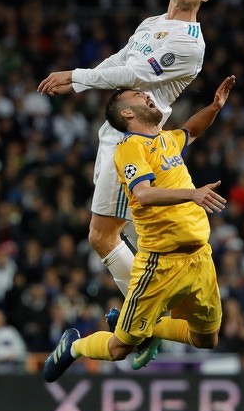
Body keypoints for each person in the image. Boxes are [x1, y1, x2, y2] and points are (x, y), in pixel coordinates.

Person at [37, 0, 216, 365]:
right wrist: (81, 76)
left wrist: (77, 78)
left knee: (106, 236)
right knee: (111, 236)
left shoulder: (189, 43)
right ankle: (146, 320)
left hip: (138, 140)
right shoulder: (151, 24)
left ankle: (145, 321)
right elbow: (119, 61)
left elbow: (133, 75)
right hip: (115, 135)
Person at [43, 75, 234, 382]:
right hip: (159, 264)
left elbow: (191, 130)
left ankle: (151, 326)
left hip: (200, 259)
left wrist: (214, 106)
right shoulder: (129, 149)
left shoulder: (167, 140)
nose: (147, 96)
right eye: (137, 95)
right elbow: (143, 193)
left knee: (206, 340)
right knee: (119, 348)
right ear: (127, 114)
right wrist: (192, 193)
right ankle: (74, 347)